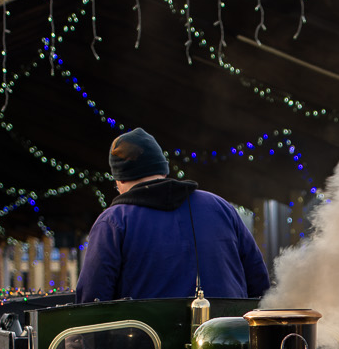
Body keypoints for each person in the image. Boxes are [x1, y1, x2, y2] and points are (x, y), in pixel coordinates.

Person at [75, 128, 271, 303]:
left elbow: (92, 302)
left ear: (119, 180)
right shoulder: (221, 207)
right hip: (227, 339)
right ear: (163, 169)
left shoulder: (113, 221)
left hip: (149, 342)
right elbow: (259, 284)